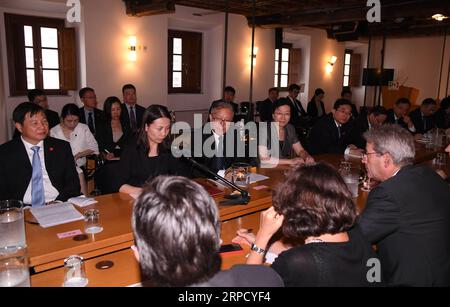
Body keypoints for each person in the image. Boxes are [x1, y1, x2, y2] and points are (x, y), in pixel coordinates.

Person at [235, 163, 379, 287]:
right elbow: (321, 254)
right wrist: (261, 243)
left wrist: (262, 237)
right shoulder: (357, 236)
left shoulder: (297, 262)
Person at [131, 175, 284, 287]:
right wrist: (262, 238)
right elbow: (250, 278)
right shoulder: (269, 279)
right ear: (218, 241)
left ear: (138, 255)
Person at [358, 124, 450, 286]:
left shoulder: (388, 193)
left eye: (367, 154)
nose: (364, 159)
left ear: (386, 159)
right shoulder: (428, 174)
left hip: (412, 278)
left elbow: (355, 237)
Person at [0, 103, 80, 205]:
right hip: (22, 209)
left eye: (44, 121)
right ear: (19, 127)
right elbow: (3, 193)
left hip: (58, 204)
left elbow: (73, 184)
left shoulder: (61, 148)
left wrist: (58, 202)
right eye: (35, 123)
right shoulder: (5, 153)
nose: (42, 127)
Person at [117, 105, 189, 195]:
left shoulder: (169, 150)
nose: (164, 134)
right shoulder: (131, 150)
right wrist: (147, 193)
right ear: (146, 127)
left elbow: (182, 177)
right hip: (136, 201)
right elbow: (120, 185)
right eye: (159, 128)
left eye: (167, 128)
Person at [50, 104, 99, 196]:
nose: (73, 124)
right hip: (60, 167)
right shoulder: (54, 132)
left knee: (78, 172)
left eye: (76, 120)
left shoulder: (83, 128)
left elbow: (94, 147)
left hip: (80, 165)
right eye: (69, 121)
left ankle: (83, 199)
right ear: (62, 118)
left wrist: (78, 155)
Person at [258, 100, 314, 166]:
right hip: (261, 169)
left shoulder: (290, 128)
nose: (283, 118)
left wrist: (306, 156)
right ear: (273, 115)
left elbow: (300, 150)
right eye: (279, 113)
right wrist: (291, 161)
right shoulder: (263, 129)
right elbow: (263, 159)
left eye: (287, 114)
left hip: (281, 167)